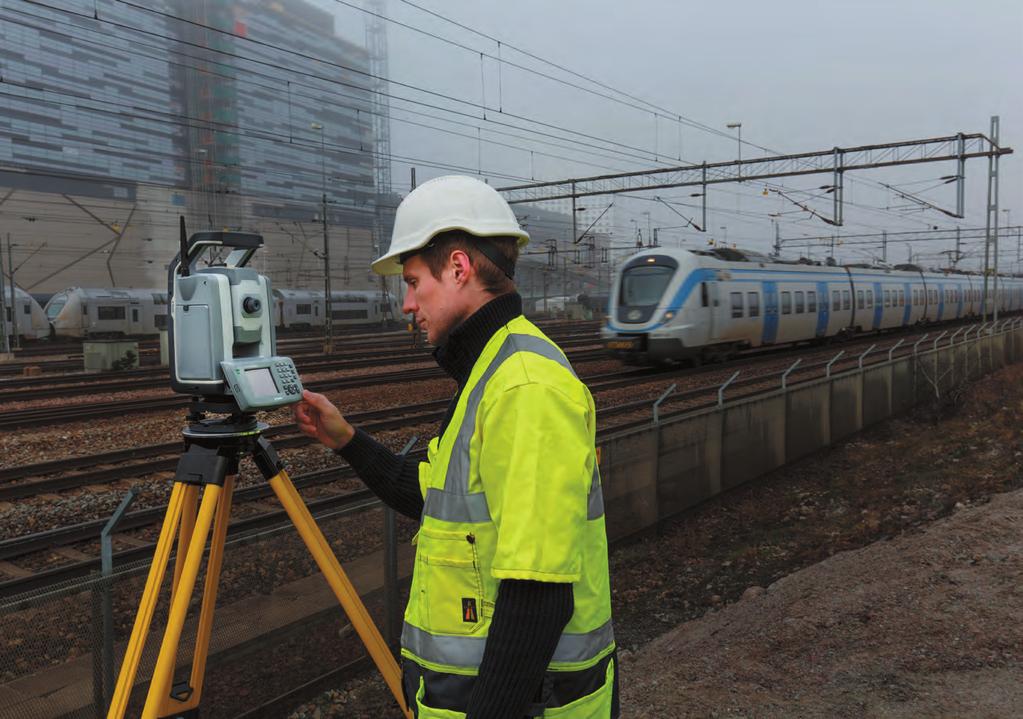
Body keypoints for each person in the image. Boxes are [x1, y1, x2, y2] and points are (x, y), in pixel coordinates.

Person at [294, 175, 618, 719]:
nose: (406, 304)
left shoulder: (524, 387)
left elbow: (537, 594)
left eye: (414, 281)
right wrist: (346, 440)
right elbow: (433, 495)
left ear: (460, 268)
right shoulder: (489, 372)